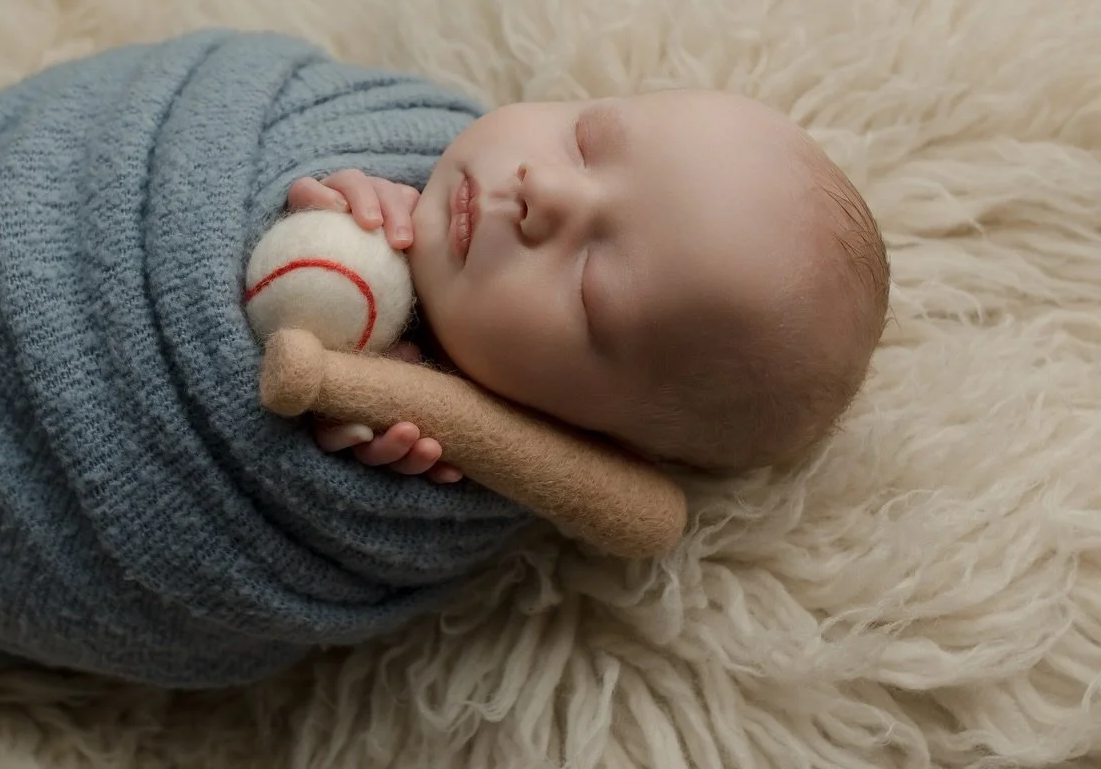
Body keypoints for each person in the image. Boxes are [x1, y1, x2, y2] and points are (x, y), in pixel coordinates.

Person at [287, 89, 890, 482]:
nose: (544, 192)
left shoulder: (450, 471)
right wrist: (316, 199)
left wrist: (339, 463)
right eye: (583, 143)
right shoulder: (410, 123)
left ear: (587, 442)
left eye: (589, 284)